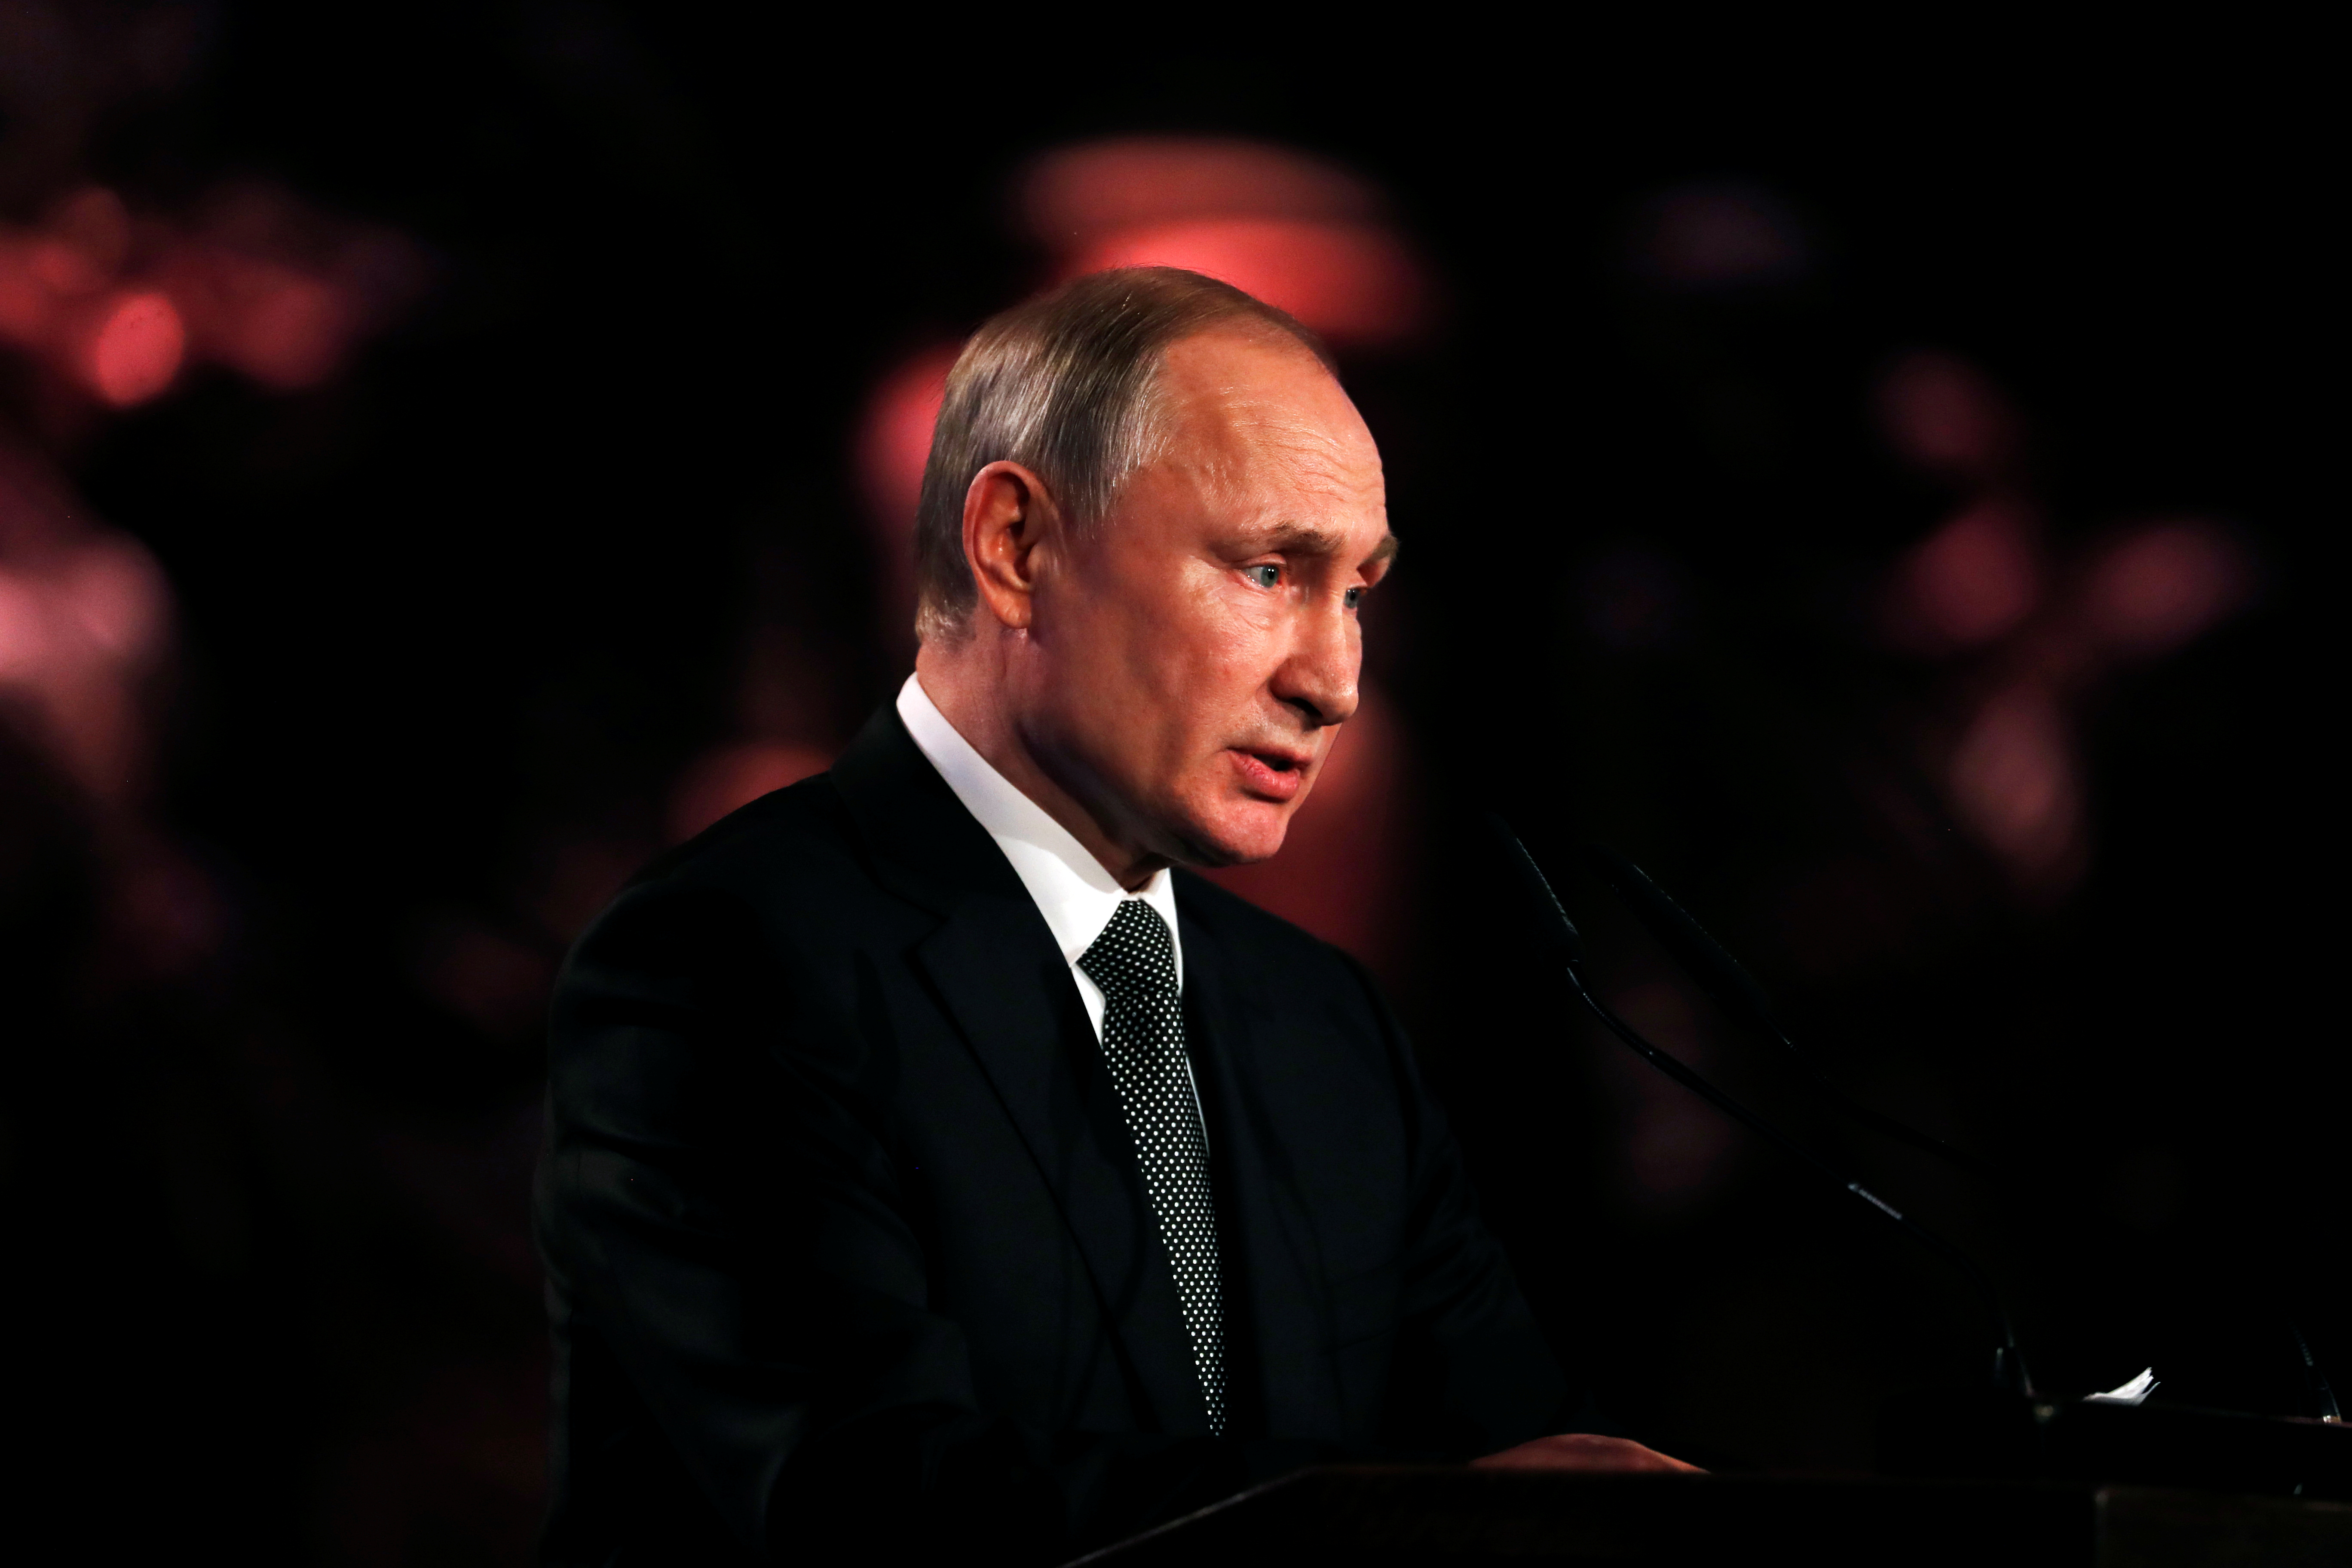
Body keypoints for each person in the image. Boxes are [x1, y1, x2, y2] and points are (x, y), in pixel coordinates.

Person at [535, 267, 1691, 1566]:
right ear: (1017, 549)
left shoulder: (1326, 1023)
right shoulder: (719, 963)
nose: (1333, 683)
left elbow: (1528, 1465)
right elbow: (861, 1500)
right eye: (1267, 570)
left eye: (1357, 594)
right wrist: (1413, 1513)